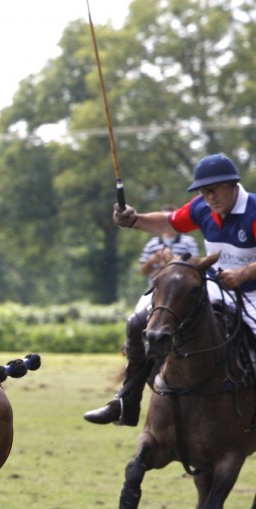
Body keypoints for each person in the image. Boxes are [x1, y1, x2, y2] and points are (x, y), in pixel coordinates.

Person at [84, 153, 256, 426]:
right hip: (216, 285)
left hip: (252, 293)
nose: (209, 197)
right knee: (142, 319)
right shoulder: (203, 208)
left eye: (214, 189)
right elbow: (169, 221)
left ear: (233, 185)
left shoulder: (253, 211)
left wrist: (245, 272)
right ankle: (125, 403)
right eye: (203, 191)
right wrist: (133, 219)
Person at [138, 216, 199, 285]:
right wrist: (152, 261)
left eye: (171, 221)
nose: (167, 224)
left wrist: (172, 260)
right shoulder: (152, 243)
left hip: (182, 286)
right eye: (164, 221)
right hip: (155, 287)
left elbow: (195, 266)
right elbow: (143, 271)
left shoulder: (188, 242)